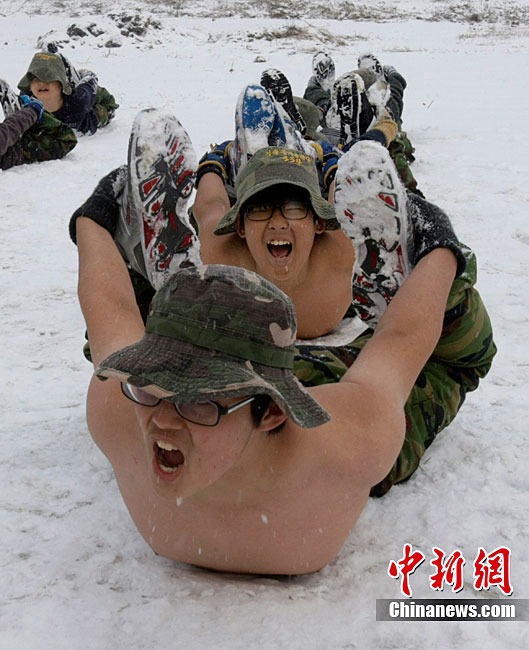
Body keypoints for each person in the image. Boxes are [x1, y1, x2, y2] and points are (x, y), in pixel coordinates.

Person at [72, 128, 496, 574]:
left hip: (276, 380)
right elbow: (108, 314)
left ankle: (412, 264)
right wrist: (440, 247)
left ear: (274, 411)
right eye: (152, 386)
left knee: (456, 345)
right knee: (444, 351)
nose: (160, 419)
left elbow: (402, 338)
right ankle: (169, 318)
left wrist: (435, 248)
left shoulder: (340, 449)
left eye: (198, 401)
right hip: (265, 378)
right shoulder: (124, 405)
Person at [71, 80, 397, 340]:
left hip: (320, 169)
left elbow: (339, 196)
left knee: (352, 164)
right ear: (239, 227)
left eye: (294, 209)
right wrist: (214, 163)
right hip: (250, 225)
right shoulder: (219, 258)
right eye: (260, 210)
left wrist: (334, 165)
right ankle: (247, 159)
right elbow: (211, 205)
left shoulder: (344, 253)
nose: (278, 222)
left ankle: (293, 154)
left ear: (319, 225)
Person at [17, 52, 118, 135]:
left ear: (61, 85)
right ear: (29, 85)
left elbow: (91, 82)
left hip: (92, 107)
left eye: (49, 79)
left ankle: (75, 75)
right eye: (36, 78)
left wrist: (87, 74)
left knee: (103, 107)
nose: (41, 83)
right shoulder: (26, 101)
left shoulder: (79, 100)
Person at [0, 79, 77, 170]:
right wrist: (32, 111)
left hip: (15, 143)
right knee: (65, 137)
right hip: (20, 148)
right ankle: (89, 81)